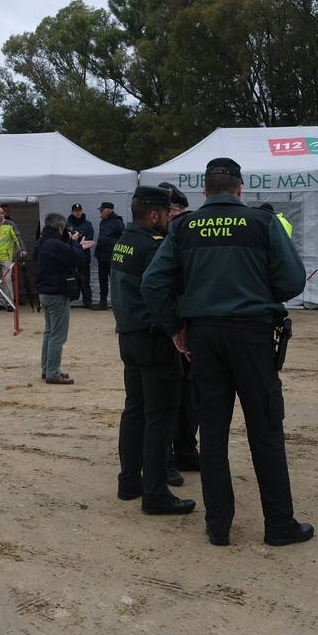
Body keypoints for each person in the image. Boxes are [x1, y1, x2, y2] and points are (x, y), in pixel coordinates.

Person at [141, 157, 314, 547]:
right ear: (240, 188)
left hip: (204, 337)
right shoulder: (263, 223)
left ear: (205, 191)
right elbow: (292, 281)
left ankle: (219, 525)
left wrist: (175, 328)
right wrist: (258, 294)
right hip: (252, 335)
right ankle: (279, 524)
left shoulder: (184, 227)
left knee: (214, 432)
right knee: (266, 429)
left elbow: (153, 284)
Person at [113, 185, 195, 515]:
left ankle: (129, 480)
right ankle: (156, 493)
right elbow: (163, 288)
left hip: (129, 335)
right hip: (154, 337)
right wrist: (176, 327)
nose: (167, 219)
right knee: (161, 416)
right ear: (154, 214)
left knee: (134, 410)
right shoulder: (153, 246)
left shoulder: (123, 241)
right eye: (165, 214)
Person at [158, 181, 195, 484]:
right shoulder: (150, 239)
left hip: (187, 324)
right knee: (165, 398)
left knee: (190, 395)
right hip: (163, 329)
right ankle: (165, 457)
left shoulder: (186, 236)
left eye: (172, 211)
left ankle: (186, 448)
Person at [33, 213, 80, 384]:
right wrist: (75, 243)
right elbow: (75, 258)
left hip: (44, 292)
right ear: (60, 227)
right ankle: (53, 372)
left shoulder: (42, 241)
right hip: (56, 292)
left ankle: (47, 369)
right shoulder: (55, 244)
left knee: (49, 332)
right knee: (58, 335)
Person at [0, 205, 25, 311]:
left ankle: (10, 303)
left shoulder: (10, 224)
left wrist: (22, 250)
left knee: (7, 280)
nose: (0, 215)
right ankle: (1, 303)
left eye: (2, 213)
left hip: (6, 257)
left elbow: (17, 238)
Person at [93, 202, 125, 311]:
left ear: (108, 210)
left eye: (102, 210)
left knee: (115, 281)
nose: (100, 212)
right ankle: (103, 302)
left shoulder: (117, 222)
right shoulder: (103, 222)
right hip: (102, 256)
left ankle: (119, 303)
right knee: (102, 280)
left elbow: (123, 238)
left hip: (112, 256)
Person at [64, 204, 96, 308]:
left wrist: (79, 239)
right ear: (72, 212)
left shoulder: (88, 224)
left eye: (79, 210)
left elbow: (90, 238)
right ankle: (70, 301)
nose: (77, 212)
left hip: (84, 256)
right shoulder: (67, 224)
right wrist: (74, 240)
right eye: (75, 211)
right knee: (71, 278)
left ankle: (88, 301)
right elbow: (65, 239)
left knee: (85, 279)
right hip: (71, 256)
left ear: (82, 211)